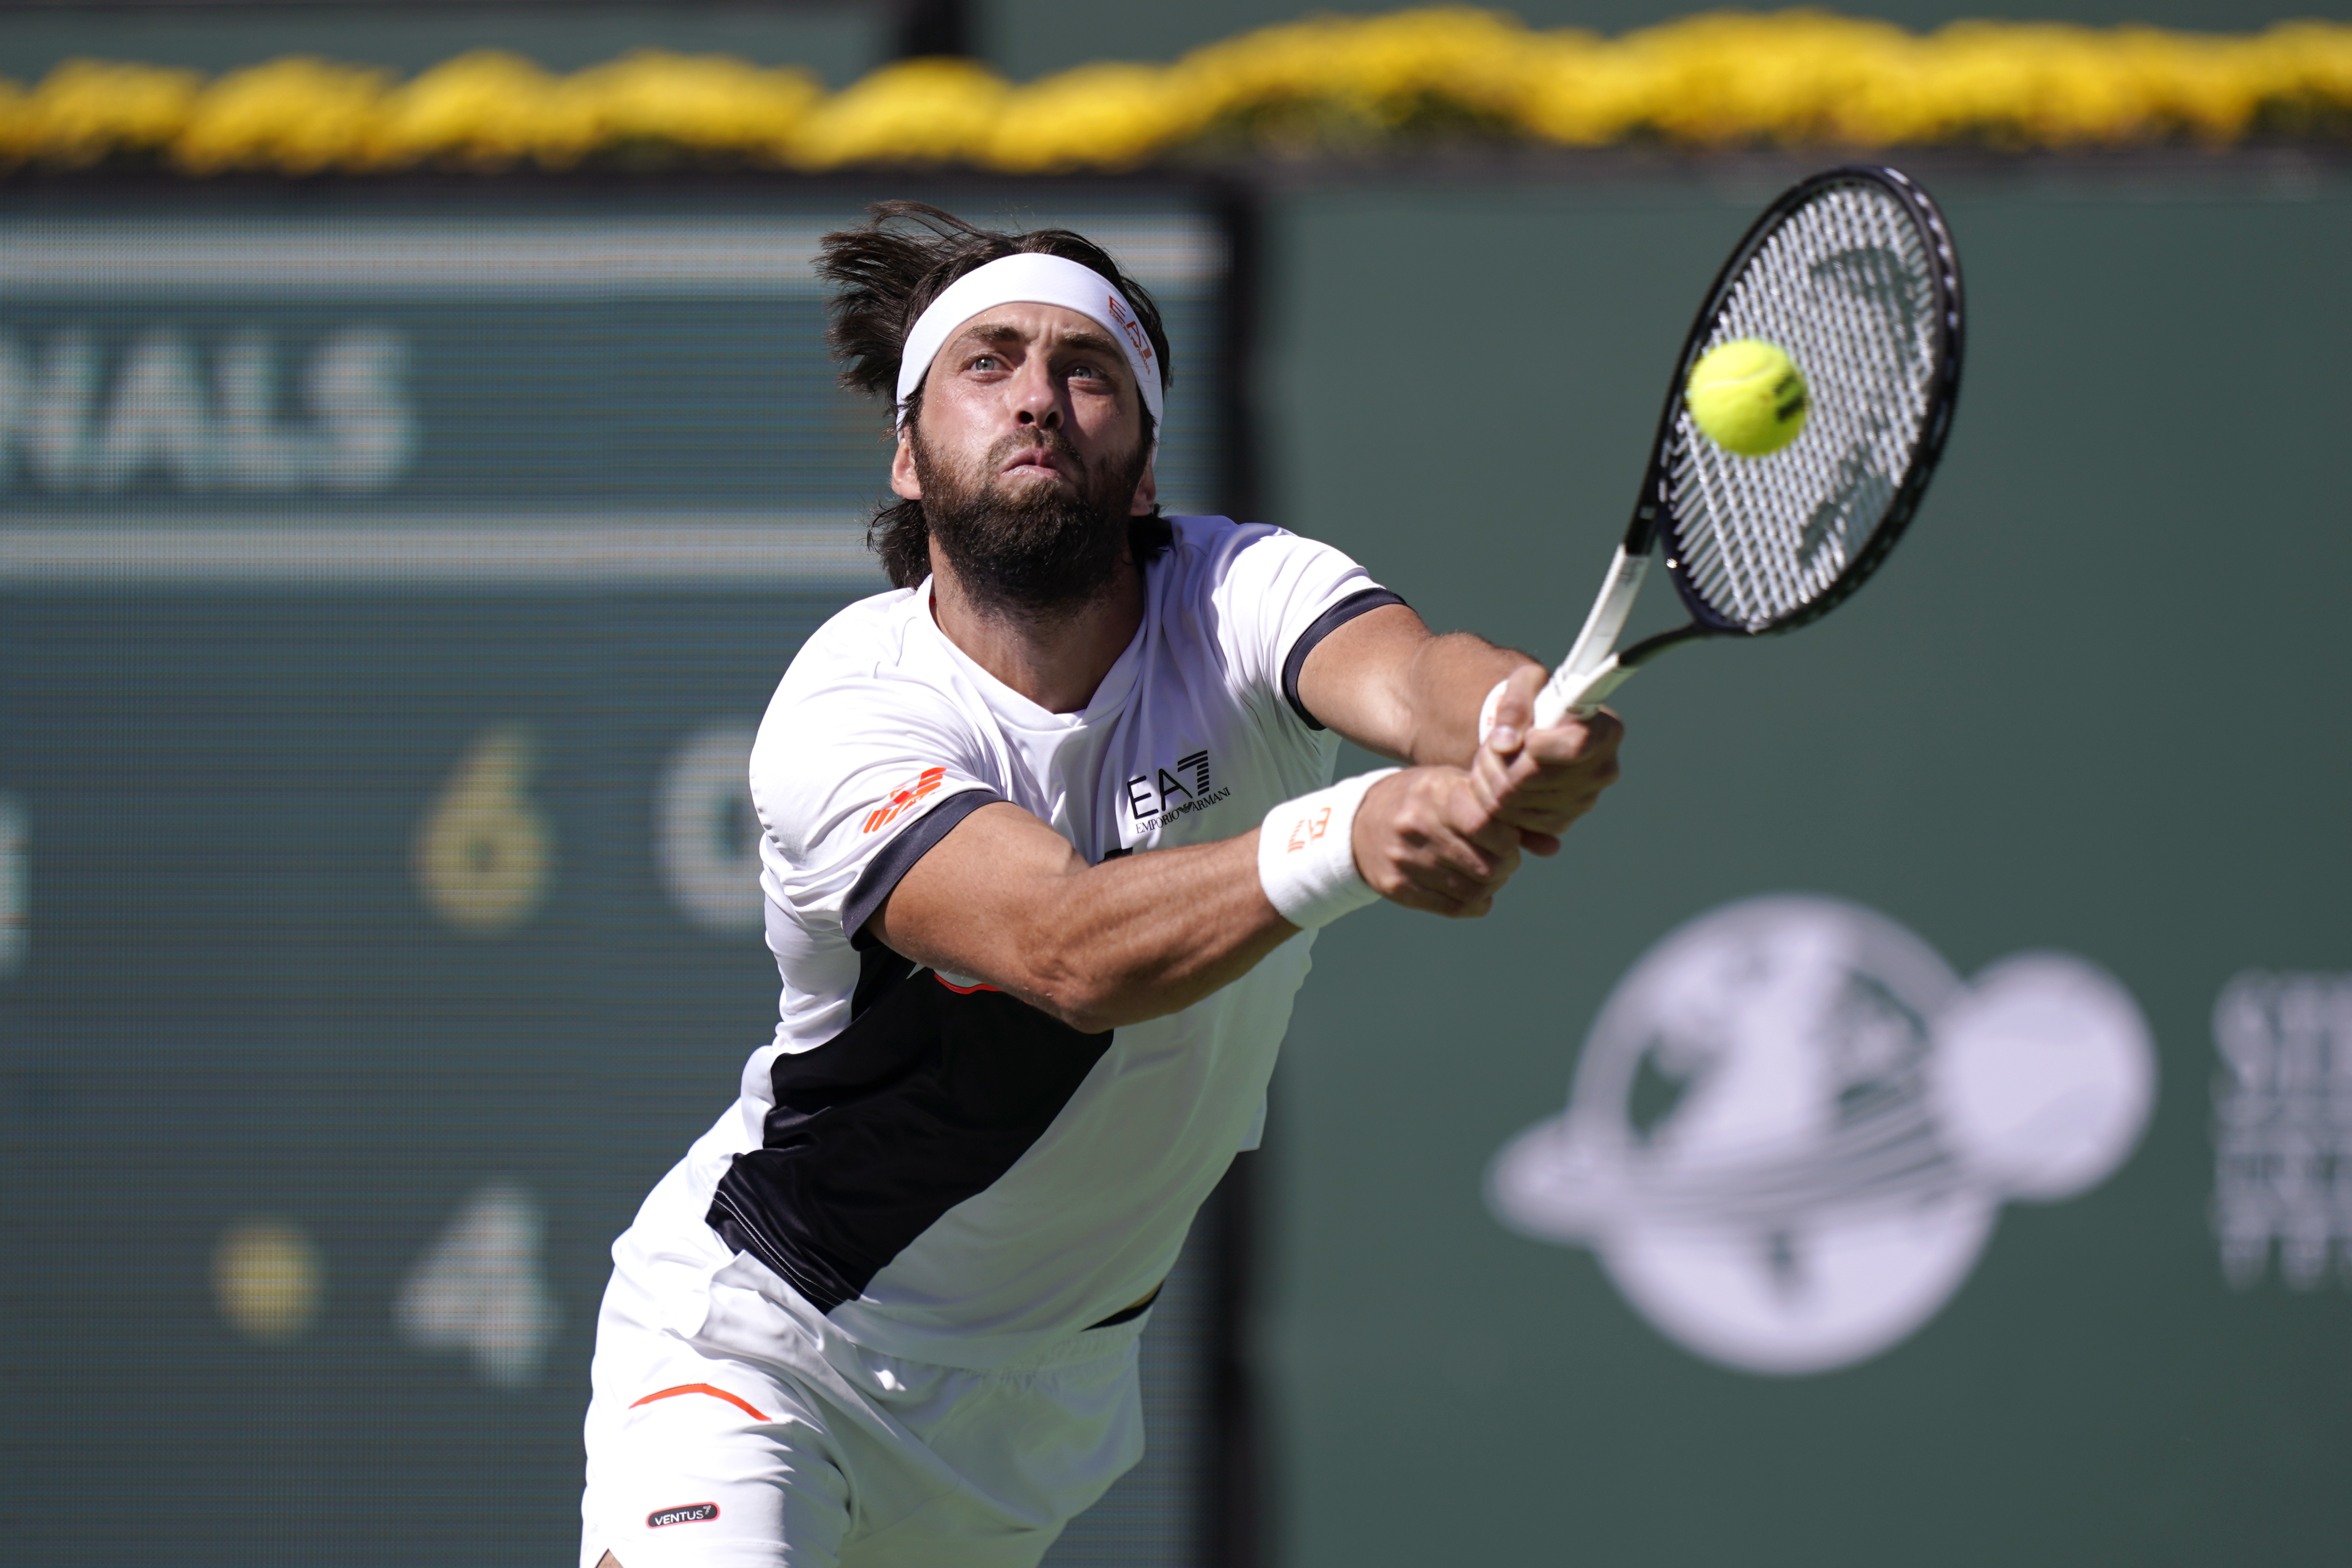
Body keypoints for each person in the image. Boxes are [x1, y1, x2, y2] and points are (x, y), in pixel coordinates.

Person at [579, 202, 1623, 1568]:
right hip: (760, 1354)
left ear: (1141, 470)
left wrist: (1507, 720)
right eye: (987, 361)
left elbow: (1415, 676)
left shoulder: (1239, 587)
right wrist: (1350, 831)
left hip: (1031, 1431)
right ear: (906, 455)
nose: (1037, 397)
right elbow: (1065, 949)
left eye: (1087, 369)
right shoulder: (847, 709)